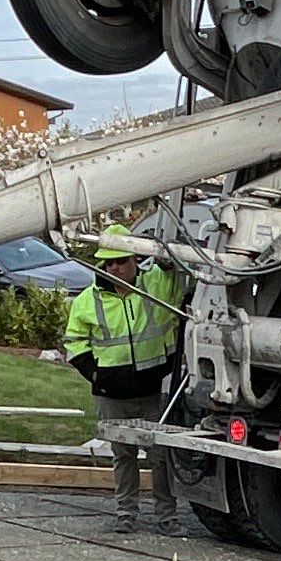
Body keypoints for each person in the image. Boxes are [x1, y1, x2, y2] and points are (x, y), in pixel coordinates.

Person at [62, 223, 184, 529]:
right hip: (112, 395)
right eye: (109, 262)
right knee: (123, 456)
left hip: (152, 390)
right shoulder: (87, 300)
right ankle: (126, 515)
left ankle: (166, 517)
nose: (113, 267)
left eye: (120, 261)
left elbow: (184, 277)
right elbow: (74, 343)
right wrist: (95, 375)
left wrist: (170, 260)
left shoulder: (158, 284)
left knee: (161, 457)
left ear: (135, 261)